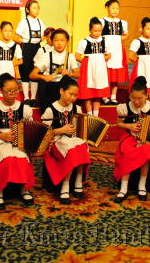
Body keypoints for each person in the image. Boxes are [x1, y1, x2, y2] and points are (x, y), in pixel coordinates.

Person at [0, 74, 36, 209]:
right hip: (0, 139)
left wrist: (23, 137)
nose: (13, 94)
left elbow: (31, 128)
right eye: (9, 91)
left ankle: (24, 189)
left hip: (19, 140)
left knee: (22, 158)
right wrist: (2, 137)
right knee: (6, 159)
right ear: (0, 91)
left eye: (16, 90)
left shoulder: (25, 108)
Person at [114, 76, 150, 203]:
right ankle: (124, 187)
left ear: (147, 96)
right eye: (133, 98)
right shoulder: (124, 107)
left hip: (147, 140)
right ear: (130, 95)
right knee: (127, 150)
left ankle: (142, 185)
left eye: (140, 98)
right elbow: (118, 124)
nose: (136, 102)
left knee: (147, 150)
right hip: (130, 138)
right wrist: (129, 126)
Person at [41, 76, 90, 204]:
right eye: (70, 94)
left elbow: (80, 129)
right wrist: (60, 130)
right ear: (61, 91)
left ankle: (78, 181)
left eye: (75, 95)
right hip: (56, 141)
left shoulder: (76, 109)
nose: (73, 98)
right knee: (72, 151)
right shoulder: (50, 110)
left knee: (82, 147)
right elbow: (43, 132)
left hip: (73, 140)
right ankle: (65, 186)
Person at [30, 28, 79, 113]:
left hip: (63, 91)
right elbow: (32, 75)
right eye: (56, 40)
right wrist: (44, 77)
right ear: (52, 42)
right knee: (47, 116)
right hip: (48, 89)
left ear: (67, 42)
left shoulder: (70, 56)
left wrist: (69, 73)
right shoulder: (46, 56)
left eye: (62, 40)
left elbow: (77, 74)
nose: (59, 43)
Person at [75, 17, 111, 116]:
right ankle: (89, 114)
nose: (97, 33)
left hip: (100, 69)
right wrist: (88, 62)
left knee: (98, 93)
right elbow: (77, 56)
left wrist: (101, 60)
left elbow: (109, 55)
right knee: (88, 93)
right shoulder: (84, 41)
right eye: (95, 30)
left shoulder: (104, 41)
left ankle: (96, 115)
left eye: (99, 30)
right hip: (88, 70)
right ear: (90, 30)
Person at [14, 0, 45, 106]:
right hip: (27, 48)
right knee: (25, 72)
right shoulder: (23, 22)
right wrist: (24, 43)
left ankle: (33, 98)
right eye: (34, 8)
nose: (37, 10)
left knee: (36, 72)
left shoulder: (40, 22)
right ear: (27, 9)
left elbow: (43, 36)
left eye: (38, 8)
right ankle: (26, 97)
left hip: (37, 48)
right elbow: (15, 37)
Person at [0, 21, 23, 105]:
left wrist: (11, 64)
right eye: (5, 31)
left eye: (10, 31)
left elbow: (21, 61)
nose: (8, 33)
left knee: (11, 85)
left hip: (10, 69)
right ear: (1, 31)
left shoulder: (15, 46)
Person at [100, 0, 129, 104]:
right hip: (106, 50)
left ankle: (113, 96)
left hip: (117, 50)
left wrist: (117, 39)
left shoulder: (123, 23)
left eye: (117, 8)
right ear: (107, 8)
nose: (115, 10)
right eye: (113, 8)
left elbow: (126, 34)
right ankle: (105, 96)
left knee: (116, 75)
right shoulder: (102, 21)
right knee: (106, 74)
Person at [128, 17, 150, 98]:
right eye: (148, 29)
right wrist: (139, 62)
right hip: (141, 66)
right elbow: (130, 56)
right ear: (142, 29)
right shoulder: (137, 41)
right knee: (141, 80)